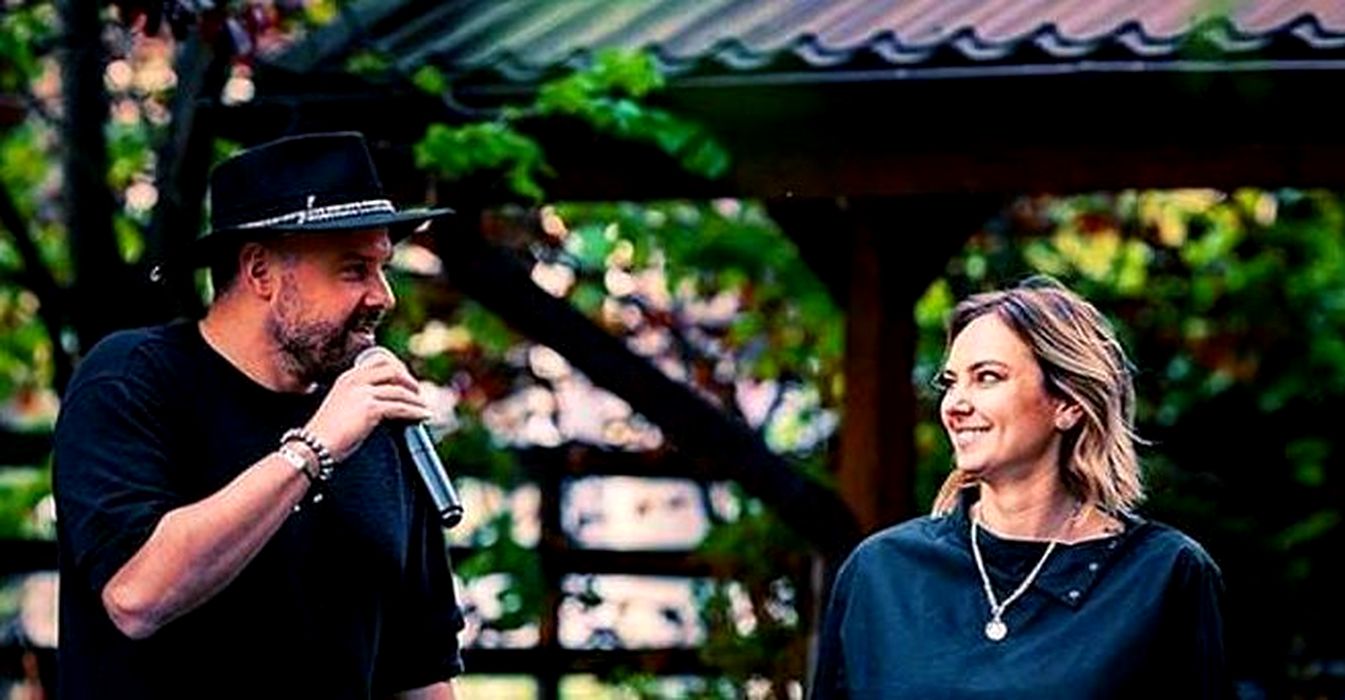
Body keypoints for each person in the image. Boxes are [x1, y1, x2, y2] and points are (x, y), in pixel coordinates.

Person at [53, 132, 465, 699]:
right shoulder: (134, 379)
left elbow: (418, 667)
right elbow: (137, 595)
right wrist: (313, 450)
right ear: (260, 271)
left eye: (382, 268)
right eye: (353, 270)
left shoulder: (374, 417)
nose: (383, 296)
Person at [811, 276, 1232, 699]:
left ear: (1067, 403)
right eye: (951, 382)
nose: (955, 405)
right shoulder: (880, 572)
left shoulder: (1164, 575)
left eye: (987, 377)